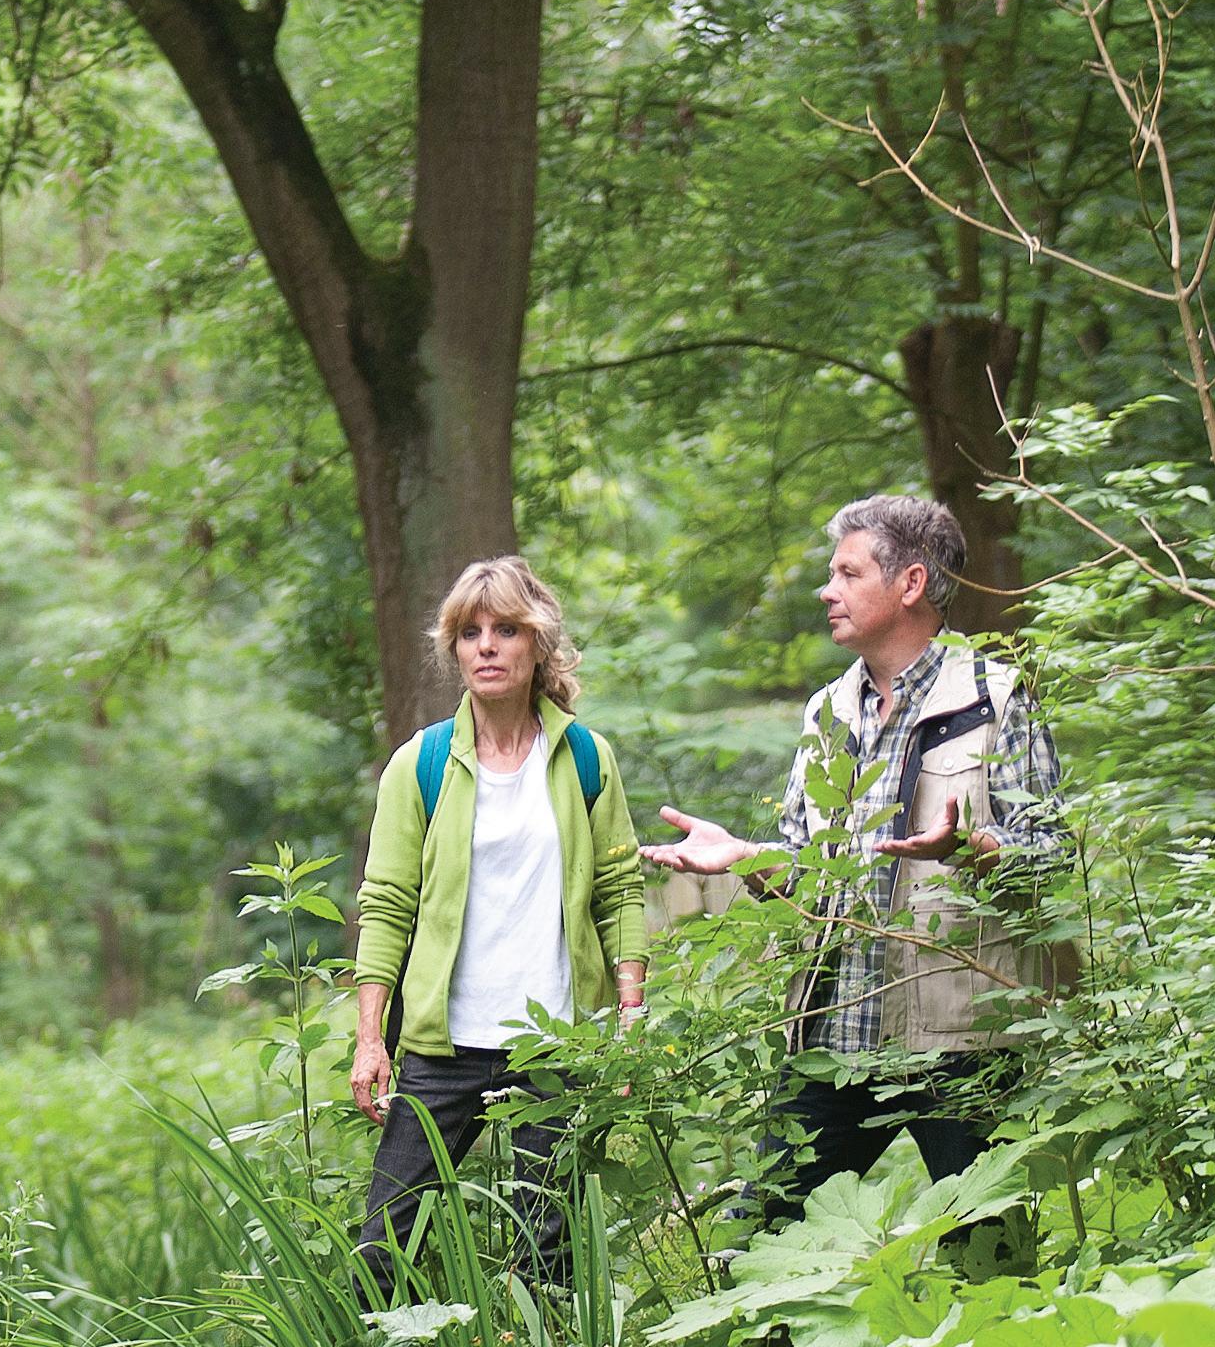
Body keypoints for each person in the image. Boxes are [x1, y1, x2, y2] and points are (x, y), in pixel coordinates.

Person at [642, 489, 1065, 1191]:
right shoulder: (827, 711)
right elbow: (806, 873)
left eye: (847, 572)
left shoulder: (996, 699)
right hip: (834, 1032)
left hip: (962, 1038)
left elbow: (1049, 857)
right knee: (763, 1231)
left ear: (911, 582)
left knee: (986, 1242)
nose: (826, 590)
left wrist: (970, 849)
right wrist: (745, 858)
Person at [349, 557, 649, 1270]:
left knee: (548, 1260)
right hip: (443, 1046)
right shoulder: (419, 764)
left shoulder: (585, 758)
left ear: (537, 644)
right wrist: (370, 1038)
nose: (486, 646)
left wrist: (630, 1017)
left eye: (506, 629)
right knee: (385, 1249)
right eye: (469, 632)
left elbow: (619, 890)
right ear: (454, 650)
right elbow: (385, 904)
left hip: (558, 1046)